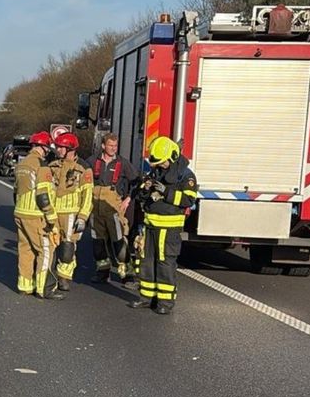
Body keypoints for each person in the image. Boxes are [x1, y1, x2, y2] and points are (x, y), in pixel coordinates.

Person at [127, 137, 198, 314]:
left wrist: (166, 192)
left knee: (165, 264)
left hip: (169, 228)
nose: (161, 165)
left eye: (163, 162)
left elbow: (188, 199)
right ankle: (146, 298)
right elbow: (141, 196)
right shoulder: (156, 172)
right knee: (146, 261)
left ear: (172, 157)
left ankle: (165, 302)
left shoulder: (186, 176)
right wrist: (145, 189)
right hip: (150, 226)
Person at [13, 131, 64, 300]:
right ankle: (45, 288)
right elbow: (43, 195)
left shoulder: (21, 164)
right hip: (36, 215)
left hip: (20, 212)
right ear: (42, 148)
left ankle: (25, 285)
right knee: (46, 249)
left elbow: (15, 191)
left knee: (25, 249)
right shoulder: (41, 165)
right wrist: (51, 217)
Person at [87, 133, 139, 284]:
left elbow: (136, 181)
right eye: (110, 145)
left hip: (113, 207)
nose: (113, 149)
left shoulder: (122, 163)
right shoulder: (92, 161)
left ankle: (128, 276)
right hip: (95, 206)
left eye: (115, 146)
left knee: (119, 243)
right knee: (98, 243)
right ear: (103, 146)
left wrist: (128, 200)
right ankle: (102, 272)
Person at [49, 132, 93, 292]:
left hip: (71, 214)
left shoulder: (83, 170)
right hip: (53, 213)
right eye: (58, 147)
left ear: (70, 149)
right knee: (50, 244)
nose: (58, 150)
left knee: (68, 246)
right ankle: (49, 275)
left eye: (62, 147)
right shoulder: (52, 166)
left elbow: (87, 196)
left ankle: (64, 277)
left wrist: (82, 217)